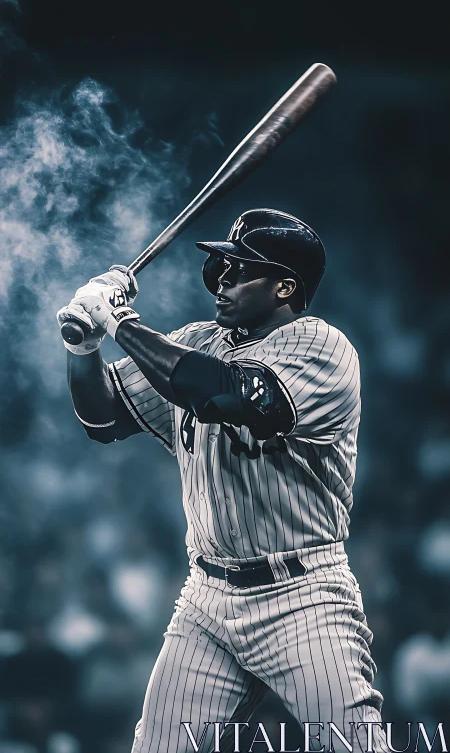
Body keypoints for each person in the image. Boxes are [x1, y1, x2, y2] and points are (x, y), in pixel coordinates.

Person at [57, 208, 387, 753]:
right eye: (223, 265)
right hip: (206, 596)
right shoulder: (199, 341)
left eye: (242, 268)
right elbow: (104, 420)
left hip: (301, 595)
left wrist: (120, 323)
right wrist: (85, 346)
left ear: (285, 286)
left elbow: (222, 395)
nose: (224, 277)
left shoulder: (323, 347)